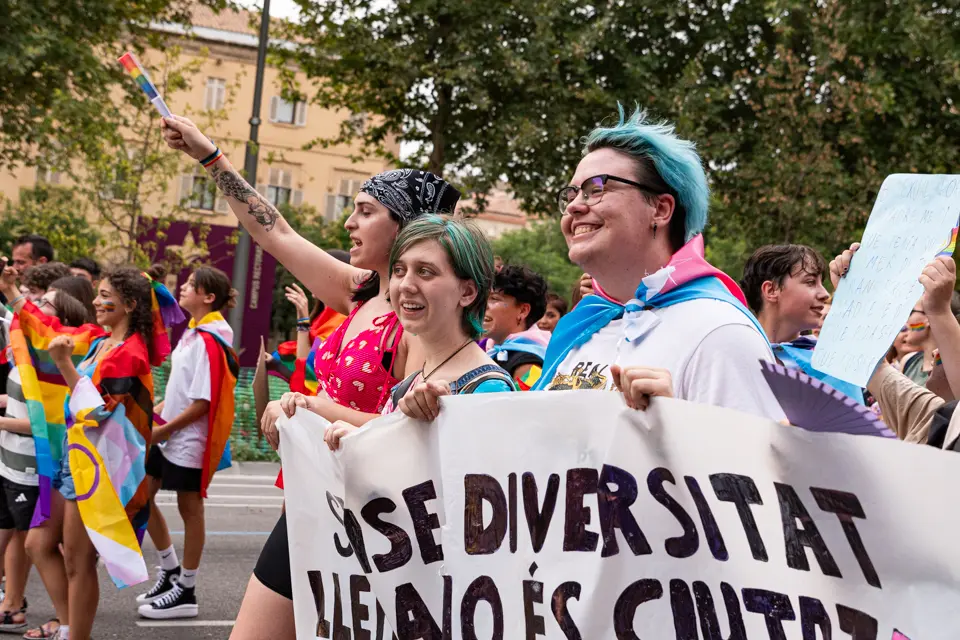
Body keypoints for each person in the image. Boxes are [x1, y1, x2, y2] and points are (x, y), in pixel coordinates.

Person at [161, 113, 460, 640]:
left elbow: (409, 428)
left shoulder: (420, 321)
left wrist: (308, 405)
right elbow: (272, 230)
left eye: (365, 212)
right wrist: (210, 157)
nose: (349, 223)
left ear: (406, 226)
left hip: (369, 516)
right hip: (310, 498)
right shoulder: (359, 289)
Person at [535, 105, 783, 421]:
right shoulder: (580, 327)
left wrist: (675, 425)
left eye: (596, 189)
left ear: (661, 210)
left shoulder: (721, 332)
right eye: (570, 195)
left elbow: (753, 466)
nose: (573, 207)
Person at [0, 266, 179, 640]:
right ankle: (67, 626)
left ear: (129, 305)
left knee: (79, 563)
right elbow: (51, 331)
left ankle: (74, 633)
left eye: (104, 296)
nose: (95, 302)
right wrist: (11, 289)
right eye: (96, 294)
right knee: (38, 543)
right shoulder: (101, 342)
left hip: (101, 471)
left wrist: (64, 364)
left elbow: (95, 411)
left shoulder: (131, 355)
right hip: (77, 460)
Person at [323, 215, 517, 447]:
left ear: (467, 292)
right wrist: (358, 440)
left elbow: (479, 478)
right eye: (399, 270)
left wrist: (447, 423)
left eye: (425, 271)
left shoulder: (490, 390)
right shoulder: (410, 382)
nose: (405, 284)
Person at [138, 267, 238, 620]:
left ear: (208, 297)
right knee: (141, 498)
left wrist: (161, 432)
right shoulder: (194, 333)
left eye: (190, 285)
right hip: (168, 437)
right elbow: (181, 392)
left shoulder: (212, 340)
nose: (182, 288)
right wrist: (155, 416)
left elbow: (203, 403)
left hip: (188, 442)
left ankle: (187, 589)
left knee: (190, 510)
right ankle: (169, 570)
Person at [0, 290, 89, 638]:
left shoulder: (55, 367)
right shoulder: (30, 357)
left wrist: (2, 422)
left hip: (36, 467)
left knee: (45, 547)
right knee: (30, 542)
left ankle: (62, 621)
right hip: (10, 461)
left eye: (47, 302)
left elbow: (49, 424)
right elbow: (21, 402)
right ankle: (42, 615)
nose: (37, 303)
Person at [740, 244, 863, 402]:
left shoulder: (829, 364)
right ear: (771, 290)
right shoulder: (736, 355)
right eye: (811, 282)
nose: (824, 294)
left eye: (821, 282)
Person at [482, 265, 550, 390]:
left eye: (494, 299)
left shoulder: (529, 365)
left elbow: (526, 408)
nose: (483, 306)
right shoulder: (489, 353)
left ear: (523, 311)